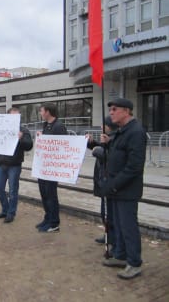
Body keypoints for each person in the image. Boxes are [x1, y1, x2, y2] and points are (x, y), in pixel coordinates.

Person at [100, 98, 146, 280]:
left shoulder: (135, 132)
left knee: (128, 227)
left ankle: (134, 263)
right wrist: (107, 144)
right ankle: (120, 255)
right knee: (118, 225)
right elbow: (119, 154)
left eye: (114, 109)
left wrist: (113, 184)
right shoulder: (121, 132)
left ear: (126, 111)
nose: (111, 113)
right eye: (110, 109)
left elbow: (134, 167)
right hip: (116, 189)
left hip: (126, 190)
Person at [0, 107, 33, 223]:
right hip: (1, 164)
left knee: (13, 191)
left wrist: (21, 139)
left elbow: (29, 146)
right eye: (12, 116)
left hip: (14, 165)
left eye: (17, 116)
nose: (14, 119)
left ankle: (11, 213)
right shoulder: (0, 128)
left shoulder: (23, 130)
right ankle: (5, 210)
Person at [36, 102, 67, 232]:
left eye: (41, 111)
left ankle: (54, 223)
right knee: (44, 194)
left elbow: (63, 145)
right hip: (43, 167)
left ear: (48, 112)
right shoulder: (46, 125)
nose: (40, 113)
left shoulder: (59, 126)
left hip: (52, 168)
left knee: (51, 195)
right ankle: (47, 217)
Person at [87, 116, 118, 246]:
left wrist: (98, 150)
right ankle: (108, 234)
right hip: (102, 180)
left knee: (109, 212)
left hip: (109, 179)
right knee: (104, 211)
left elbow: (108, 154)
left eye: (103, 125)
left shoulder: (115, 138)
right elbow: (101, 147)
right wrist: (92, 143)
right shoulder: (107, 137)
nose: (101, 127)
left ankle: (113, 237)